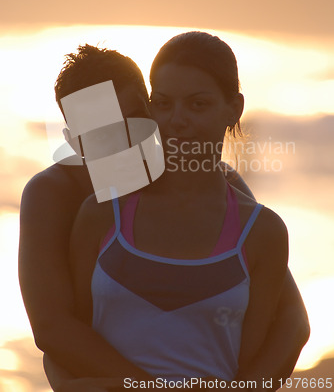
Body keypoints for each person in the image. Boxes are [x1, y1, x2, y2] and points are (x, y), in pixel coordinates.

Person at [19, 44, 267, 392]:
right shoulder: (55, 194)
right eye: (102, 135)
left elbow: (293, 321)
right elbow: (52, 329)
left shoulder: (212, 181)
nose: (124, 145)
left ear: (153, 109)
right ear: (75, 143)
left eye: (132, 120)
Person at [68, 33, 309, 390]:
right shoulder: (101, 214)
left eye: (197, 104)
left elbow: (250, 364)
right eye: (163, 103)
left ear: (234, 109)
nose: (176, 120)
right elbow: (70, 341)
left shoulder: (263, 232)